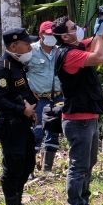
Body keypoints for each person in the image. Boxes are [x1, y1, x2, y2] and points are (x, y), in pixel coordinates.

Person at [52, 11, 103, 205]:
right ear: (66, 37)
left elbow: (100, 40)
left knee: (89, 163)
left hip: (89, 118)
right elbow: (100, 56)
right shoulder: (69, 55)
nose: (76, 27)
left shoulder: (75, 47)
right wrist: (97, 32)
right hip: (78, 120)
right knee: (79, 166)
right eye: (72, 27)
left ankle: (83, 203)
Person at [0, 28, 38, 205]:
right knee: (13, 167)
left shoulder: (17, 65)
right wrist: (21, 110)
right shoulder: (2, 67)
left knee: (27, 164)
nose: (30, 48)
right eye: (27, 44)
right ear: (14, 45)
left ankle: (18, 202)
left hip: (23, 124)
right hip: (10, 125)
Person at [26, 21, 63, 172]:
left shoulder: (60, 51)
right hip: (39, 99)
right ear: (41, 35)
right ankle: (29, 169)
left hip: (58, 97)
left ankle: (47, 169)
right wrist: (27, 92)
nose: (52, 37)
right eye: (48, 34)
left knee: (54, 131)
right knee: (37, 132)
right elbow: (19, 73)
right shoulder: (30, 51)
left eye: (54, 34)